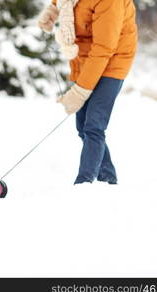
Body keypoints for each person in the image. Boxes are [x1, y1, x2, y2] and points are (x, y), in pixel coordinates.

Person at [38, 0, 138, 184]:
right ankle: (107, 178)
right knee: (82, 125)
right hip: (85, 58)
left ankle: (84, 182)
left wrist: (80, 91)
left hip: (113, 61)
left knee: (94, 125)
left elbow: (104, 48)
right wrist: (53, 10)